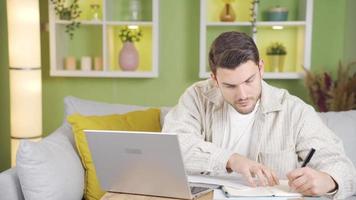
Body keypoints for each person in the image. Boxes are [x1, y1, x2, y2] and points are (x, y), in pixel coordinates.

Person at [162, 31, 356, 199]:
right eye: (230, 86)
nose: (243, 95)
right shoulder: (197, 96)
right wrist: (232, 160)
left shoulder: (294, 111)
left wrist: (329, 181)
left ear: (261, 68)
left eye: (249, 80)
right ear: (214, 78)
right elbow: (174, 147)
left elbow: (343, 167)